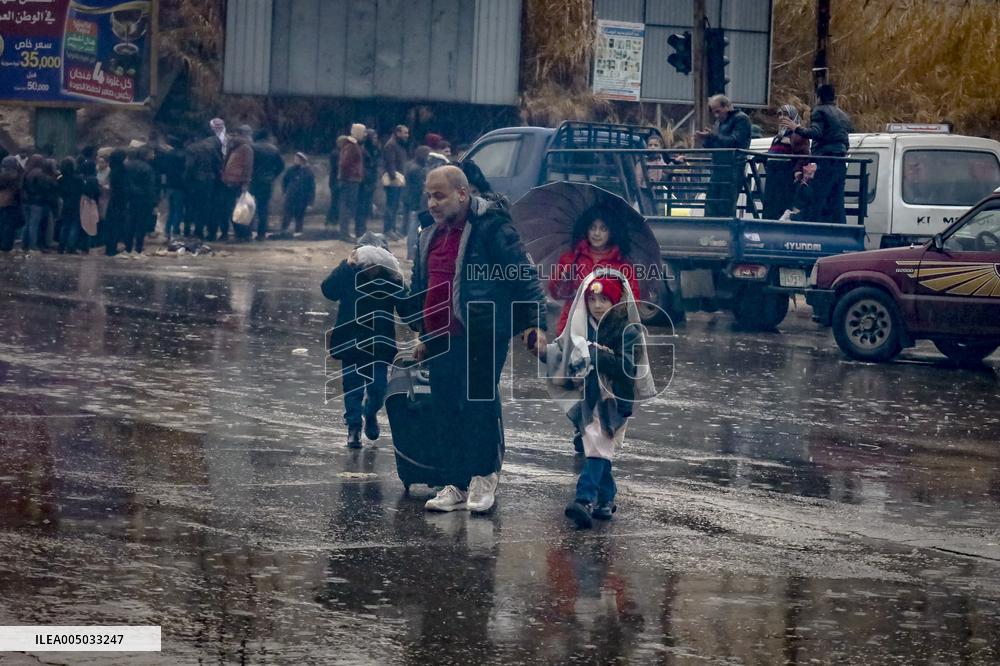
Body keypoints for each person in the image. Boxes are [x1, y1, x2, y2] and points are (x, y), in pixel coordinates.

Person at [409, 165, 547, 514]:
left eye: (439, 196)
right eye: (428, 196)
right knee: (445, 408)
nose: (432, 203)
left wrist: (535, 323)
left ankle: (484, 478)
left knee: (478, 408)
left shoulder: (492, 227)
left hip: (483, 334)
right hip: (440, 338)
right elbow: (421, 287)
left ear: (462, 193)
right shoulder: (427, 235)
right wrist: (422, 334)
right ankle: (454, 483)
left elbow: (524, 277)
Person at [548, 274, 643, 529]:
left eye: (604, 299)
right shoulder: (582, 328)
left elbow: (627, 368)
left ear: (615, 301)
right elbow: (567, 353)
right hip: (589, 398)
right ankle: (606, 498)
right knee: (596, 445)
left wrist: (595, 355)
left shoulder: (628, 330)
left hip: (614, 400)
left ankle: (584, 499)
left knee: (598, 446)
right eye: (592, 299)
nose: (598, 305)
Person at [321, 232, 407, 448]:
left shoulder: (390, 279)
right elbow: (328, 290)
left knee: (378, 389)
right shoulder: (348, 273)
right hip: (351, 342)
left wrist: (404, 284)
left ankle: (370, 413)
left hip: (379, 345)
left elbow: (406, 308)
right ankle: (353, 427)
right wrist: (346, 266)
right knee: (352, 388)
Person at [780, 84, 853, 224]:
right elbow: (845, 138)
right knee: (837, 199)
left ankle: (801, 221)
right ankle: (841, 227)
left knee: (818, 196)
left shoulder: (819, 111)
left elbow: (816, 132)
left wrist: (797, 128)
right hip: (840, 159)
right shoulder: (842, 114)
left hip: (825, 158)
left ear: (818, 97)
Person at [696, 94, 752, 217]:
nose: (716, 115)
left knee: (725, 205)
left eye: (718, 111)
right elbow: (718, 144)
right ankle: (711, 228)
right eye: (714, 112)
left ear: (727, 107)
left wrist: (713, 136)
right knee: (711, 204)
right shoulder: (719, 123)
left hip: (732, 168)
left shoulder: (741, 119)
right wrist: (707, 140)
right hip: (719, 167)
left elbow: (735, 142)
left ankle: (724, 228)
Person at [762, 104, 811, 220]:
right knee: (770, 205)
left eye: (785, 115)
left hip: (785, 176)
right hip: (773, 175)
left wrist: (797, 170)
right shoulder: (779, 135)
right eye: (779, 114)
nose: (782, 117)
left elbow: (803, 154)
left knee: (782, 205)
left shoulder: (798, 134)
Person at [56, 157, 100, 254]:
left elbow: (59, 191)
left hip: (66, 203)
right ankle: (71, 247)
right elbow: (84, 190)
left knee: (65, 225)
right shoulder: (78, 179)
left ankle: (61, 246)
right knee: (74, 226)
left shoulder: (60, 179)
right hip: (77, 204)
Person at [184, 135, 223, 241]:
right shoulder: (211, 148)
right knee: (205, 207)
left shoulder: (192, 148)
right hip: (211, 180)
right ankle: (200, 231)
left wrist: (186, 180)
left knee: (191, 206)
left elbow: (189, 166)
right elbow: (219, 163)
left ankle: (189, 231)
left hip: (196, 181)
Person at [250, 129, 285, 241]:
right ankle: (261, 234)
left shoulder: (252, 147)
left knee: (250, 206)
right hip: (267, 181)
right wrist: (273, 175)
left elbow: (249, 163)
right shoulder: (274, 149)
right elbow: (281, 166)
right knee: (263, 207)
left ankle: (248, 232)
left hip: (253, 181)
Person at [222, 125, 255, 241]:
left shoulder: (233, 146)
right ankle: (244, 235)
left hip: (230, 180)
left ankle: (239, 234)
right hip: (239, 182)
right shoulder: (246, 148)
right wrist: (246, 182)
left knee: (234, 208)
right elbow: (247, 167)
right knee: (243, 209)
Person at [123, 147, 158, 256]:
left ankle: (127, 247)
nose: (153, 156)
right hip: (144, 199)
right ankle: (138, 247)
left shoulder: (128, 166)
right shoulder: (147, 168)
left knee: (130, 222)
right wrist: (154, 202)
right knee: (141, 223)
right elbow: (150, 187)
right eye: (151, 154)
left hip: (130, 197)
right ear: (146, 155)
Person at [20, 155, 58, 254]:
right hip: (37, 202)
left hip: (26, 202)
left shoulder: (26, 172)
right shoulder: (40, 174)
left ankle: (24, 245)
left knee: (27, 224)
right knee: (34, 224)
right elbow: (46, 187)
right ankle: (33, 246)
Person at [337, 124, 366, 241]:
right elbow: (344, 163)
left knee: (347, 207)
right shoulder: (351, 146)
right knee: (346, 207)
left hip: (350, 179)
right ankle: (344, 233)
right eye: (363, 132)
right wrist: (353, 174)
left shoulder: (352, 145)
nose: (365, 135)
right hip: (350, 180)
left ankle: (345, 233)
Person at [403, 146, 432, 260]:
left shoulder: (412, 166)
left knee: (412, 227)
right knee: (413, 228)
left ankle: (411, 254)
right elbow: (418, 188)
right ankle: (411, 254)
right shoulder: (417, 169)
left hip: (411, 200)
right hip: (416, 202)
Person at [381, 124, 410, 238]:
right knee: (391, 205)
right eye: (405, 133)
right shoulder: (391, 145)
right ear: (398, 133)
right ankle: (388, 229)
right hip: (394, 180)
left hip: (399, 179)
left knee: (395, 205)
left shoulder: (399, 145)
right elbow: (390, 163)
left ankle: (392, 228)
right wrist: (394, 178)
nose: (407, 135)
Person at [281, 152, 316, 236]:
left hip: (302, 198)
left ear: (302, 160)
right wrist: (285, 191)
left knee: (300, 215)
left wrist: (310, 202)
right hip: (290, 196)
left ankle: (298, 232)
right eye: (295, 159)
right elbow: (284, 181)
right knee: (287, 214)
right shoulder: (291, 170)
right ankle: (284, 230)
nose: (295, 161)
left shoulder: (308, 172)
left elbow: (312, 188)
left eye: (297, 159)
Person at [104, 149, 129, 256]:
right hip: (120, 201)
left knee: (112, 225)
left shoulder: (113, 169)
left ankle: (110, 247)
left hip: (113, 200)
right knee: (116, 225)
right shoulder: (121, 171)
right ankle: (112, 248)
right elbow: (124, 187)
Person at [357, 129, 380, 234]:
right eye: (374, 138)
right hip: (364, 181)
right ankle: (360, 229)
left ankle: (362, 228)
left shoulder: (374, 150)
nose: (376, 140)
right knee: (361, 206)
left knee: (366, 206)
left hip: (371, 180)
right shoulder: (363, 150)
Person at [0, 156, 22, 252]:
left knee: (3, 225)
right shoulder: (14, 177)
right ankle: (6, 246)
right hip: (11, 204)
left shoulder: (2, 176)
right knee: (9, 226)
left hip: (4, 204)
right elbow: (18, 190)